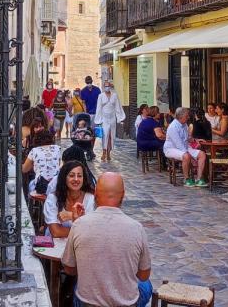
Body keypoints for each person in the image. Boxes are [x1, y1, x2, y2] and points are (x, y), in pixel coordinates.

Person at [62, 172, 152, 307]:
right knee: (146, 284)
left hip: (87, 303)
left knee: (78, 285)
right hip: (125, 304)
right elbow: (144, 275)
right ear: (123, 194)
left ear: (96, 193)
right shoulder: (136, 228)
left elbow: (69, 269)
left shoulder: (79, 225)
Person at [45, 160, 96, 238]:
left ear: (83, 178)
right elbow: (56, 232)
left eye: (79, 176)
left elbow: (92, 230)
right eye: (72, 175)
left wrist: (72, 216)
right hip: (55, 244)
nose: (76, 179)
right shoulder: (53, 199)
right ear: (64, 178)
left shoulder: (90, 199)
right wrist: (82, 231)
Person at [163, 107, 207, 187]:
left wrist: (195, 140)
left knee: (202, 154)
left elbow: (187, 138)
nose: (188, 117)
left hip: (184, 147)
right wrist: (192, 157)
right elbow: (178, 144)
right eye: (187, 116)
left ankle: (199, 178)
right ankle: (186, 179)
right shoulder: (173, 127)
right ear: (181, 117)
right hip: (171, 148)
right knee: (186, 156)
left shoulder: (184, 124)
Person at [22, 129, 62, 194]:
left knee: (30, 184)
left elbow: (24, 169)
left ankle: (29, 202)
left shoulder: (34, 151)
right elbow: (58, 165)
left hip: (42, 186)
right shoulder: (57, 148)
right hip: (56, 184)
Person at [95, 82, 124, 162]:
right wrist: (98, 120)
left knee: (112, 136)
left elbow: (118, 107)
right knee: (105, 135)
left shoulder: (114, 95)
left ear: (110, 87)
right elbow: (99, 108)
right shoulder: (100, 96)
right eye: (106, 86)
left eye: (108, 86)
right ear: (104, 87)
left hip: (112, 118)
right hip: (104, 118)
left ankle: (109, 152)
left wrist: (120, 118)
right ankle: (104, 151)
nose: (107, 87)